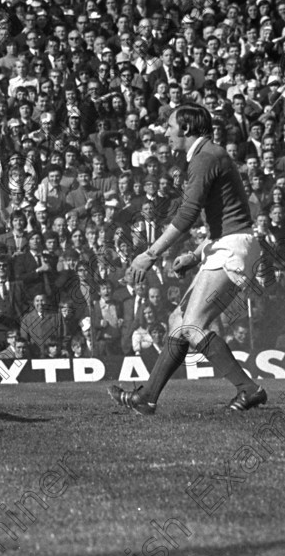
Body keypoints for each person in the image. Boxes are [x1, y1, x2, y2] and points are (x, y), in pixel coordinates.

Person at [109, 104, 268, 415]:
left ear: (185, 128)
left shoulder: (205, 157)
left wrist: (150, 254)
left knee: (193, 325)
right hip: (226, 244)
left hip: (231, 248)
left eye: (169, 126)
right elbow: (226, 215)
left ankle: (249, 389)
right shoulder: (209, 155)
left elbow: (187, 215)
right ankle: (147, 398)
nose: (166, 132)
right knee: (178, 322)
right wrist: (196, 255)